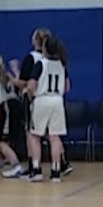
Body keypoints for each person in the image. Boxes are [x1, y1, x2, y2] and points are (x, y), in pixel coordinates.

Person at [27, 37, 70, 183]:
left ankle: (37, 170)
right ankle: (56, 171)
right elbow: (67, 87)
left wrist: (31, 95)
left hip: (42, 99)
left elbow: (31, 85)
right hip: (57, 100)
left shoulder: (41, 64)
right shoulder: (62, 65)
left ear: (45, 48)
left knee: (35, 136)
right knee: (55, 137)